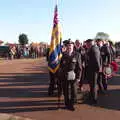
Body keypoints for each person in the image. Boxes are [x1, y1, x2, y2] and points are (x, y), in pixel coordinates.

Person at [59, 39, 82, 110]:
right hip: (64, 75)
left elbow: (79, 67)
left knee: (73, 91)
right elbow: (61, 66)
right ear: (67, 46)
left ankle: (72, 104)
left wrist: (78, 77)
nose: (69, 47)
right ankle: (66, 104)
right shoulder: (63, 55)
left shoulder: (77, 54)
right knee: (65, 91)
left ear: (73, 46)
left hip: (73, 75)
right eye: (68, 45)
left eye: (71, 45)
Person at [86, 39, 101, 104]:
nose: (86, 45)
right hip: (92, 69)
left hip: (93, 70)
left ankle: (94, 99)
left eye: (87, 44)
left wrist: (98, 69)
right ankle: (91, 96)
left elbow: (97, 60)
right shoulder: (94, 48)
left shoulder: (93, 49)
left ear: (90, 43)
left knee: (93, 85)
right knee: (92, 84)